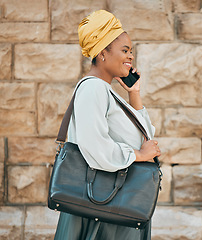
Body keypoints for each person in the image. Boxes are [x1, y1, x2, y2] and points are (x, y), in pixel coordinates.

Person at [54, 9, 161, 240]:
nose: (130, 56)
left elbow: (146, 136)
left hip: (112, 203)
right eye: (124, 50)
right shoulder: (93, 89)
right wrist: (140, 155)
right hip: (102, 206)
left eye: (131, 51)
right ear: (103, 52)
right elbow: (96, 148)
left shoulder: (107, 91)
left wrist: (134, 94)